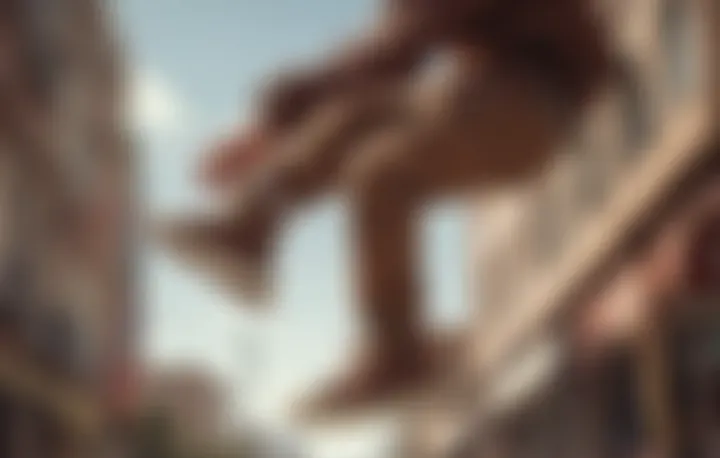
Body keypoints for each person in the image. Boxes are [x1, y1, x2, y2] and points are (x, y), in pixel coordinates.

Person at [163, 0, 611, 421]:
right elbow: (382, 48)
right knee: (356, 115)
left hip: (534, 102)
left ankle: (398, 354)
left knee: (382, 171)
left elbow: (393, 52)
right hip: (488, 83)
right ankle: (251, 229)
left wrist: (268, 128)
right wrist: (277, 130)